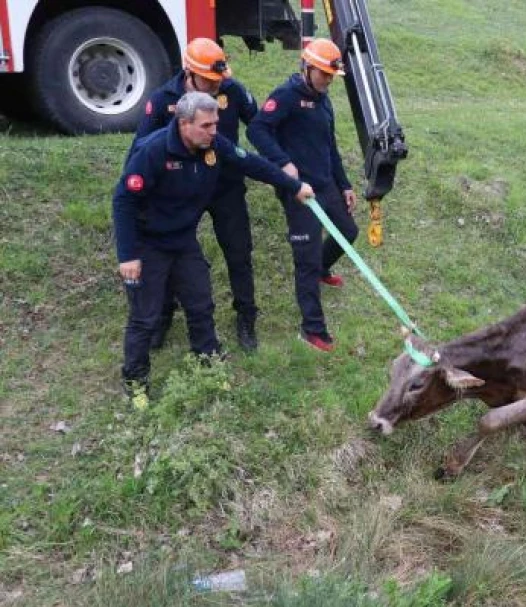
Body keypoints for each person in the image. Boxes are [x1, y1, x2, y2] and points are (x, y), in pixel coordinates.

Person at [114, 92, 313, 407]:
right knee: (145, 317)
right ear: (184, 124)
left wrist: (294, 186)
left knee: (200, 305)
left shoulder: (213, 145)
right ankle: (135, 380)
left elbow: (252, 164)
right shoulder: (152, 151)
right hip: (148, 243)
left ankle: (207, 362)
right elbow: (123, 200)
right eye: (206, 125)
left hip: (183, 241)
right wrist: (127, 255)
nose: (213, 131)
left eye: (215, 124)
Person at [131, 38, 263, 352]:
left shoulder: (232, 90)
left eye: (219, 80)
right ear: (189, 74)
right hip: (180, 194)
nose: (216, 86)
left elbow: (259, 126)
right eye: (209, 81)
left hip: (225, 186)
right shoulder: (163, 100)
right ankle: (163, 316)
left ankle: (246, 317)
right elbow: (141, 148)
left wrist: (282, 165)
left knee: (239, 253)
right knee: (167, 254)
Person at [248, 38, 357, 352]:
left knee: (348, 231)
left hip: (325, 185)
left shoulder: (324, 100)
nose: (327, 81)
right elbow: (257, 129)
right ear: (307, 68)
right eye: (323, 74)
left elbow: (330, 147)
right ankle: (312, 329)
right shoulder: (286, 96)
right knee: (305, 260)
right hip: (298, 192)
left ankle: (323, 268)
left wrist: (345, 184)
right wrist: (283, 164)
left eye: (330, 75)